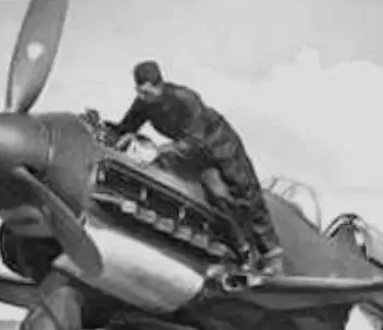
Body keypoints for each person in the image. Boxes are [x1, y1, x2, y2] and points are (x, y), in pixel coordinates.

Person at [106, 60, 284, 275]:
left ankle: (272, 255)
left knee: (244, 191)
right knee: (216, 193)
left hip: (219, 144)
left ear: (158, 85)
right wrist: (113, 133)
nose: (142, 97)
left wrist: (162, 150)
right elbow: (126, 127)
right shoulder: (143, 103)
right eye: (139, 92)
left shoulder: (186, 98)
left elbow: (196, 139)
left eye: (146, 92)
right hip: (192, 154)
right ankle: (241, 251)